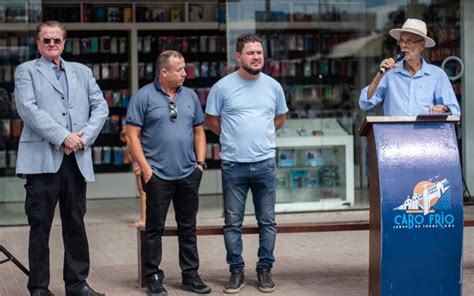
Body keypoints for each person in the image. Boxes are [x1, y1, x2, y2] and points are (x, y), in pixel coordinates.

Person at [14, 21, 108, 296]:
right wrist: (63, 136)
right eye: (46, 40)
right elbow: (28, 110)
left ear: (64, 43)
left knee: (76, 224)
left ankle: (77, 284)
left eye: (56, 40)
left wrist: (83, 137)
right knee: (40, 226)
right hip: (42, 161)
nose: (52, 44)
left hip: (76, 160)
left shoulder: (82, 71)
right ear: (38, 43)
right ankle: (39, 288)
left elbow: (100, 106)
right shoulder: (26, 71)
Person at [205, 33, 288, 294]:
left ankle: (264, 270)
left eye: (259, 53)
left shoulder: (274, 86)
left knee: (268, 221)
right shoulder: (222, 87)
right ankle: (236, 271)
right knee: (232, 223)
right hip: (233, 165)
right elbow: (212, 121)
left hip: (264, 163)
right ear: (238, 56)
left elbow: (280, 119)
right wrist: (233, 138)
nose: (256, 57)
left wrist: (260, 137)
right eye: (251, 53)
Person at [126, 50, 211, 296]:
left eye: (185, 68)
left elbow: (199, 131)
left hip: (187, 173)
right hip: (158, 175)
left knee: (188, 227)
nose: (185, 73)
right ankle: (153, 276)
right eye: (180, 69)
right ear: (164, 72)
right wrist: (146, 170)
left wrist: (200, 164)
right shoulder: (143, 97)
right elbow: (132, 135)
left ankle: (190, 275)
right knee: (154, 229)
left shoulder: (191, 96)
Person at [359, 18, 461, 116]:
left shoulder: (437, 75)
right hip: (395, 133)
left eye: (409, 41)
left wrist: (443, 109)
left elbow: (455, 110)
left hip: (426, 133)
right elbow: (364, 103)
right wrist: (379, 75)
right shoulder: (389, 73)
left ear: (422, 45)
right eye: (401, 41)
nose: (403, 45)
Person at [120, 127, 146, 228]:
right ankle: (144, 218)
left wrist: (140, 166)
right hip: (138, 167)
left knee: (143, 193)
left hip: (140, 167)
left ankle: (144, 219)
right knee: (142, 192)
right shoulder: (132, 144)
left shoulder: (136, 143)